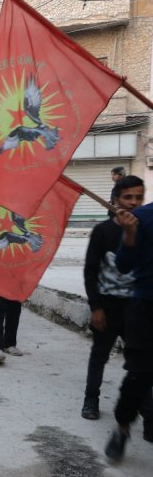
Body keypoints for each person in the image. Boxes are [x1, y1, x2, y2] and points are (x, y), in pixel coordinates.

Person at [82, 176, 148, 420]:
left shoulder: (146, 227)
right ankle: (91, 399)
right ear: (116, 200)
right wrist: (96, 307)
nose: (133, 202)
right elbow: (90, 271)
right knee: (99, 355)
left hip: (138, 308)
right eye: (127, 197)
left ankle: (145, 409)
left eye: (138, 197)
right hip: (108, 306)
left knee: (141, 361)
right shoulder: (103, 231)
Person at [105, 192, 153, 461]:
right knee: (139, 375)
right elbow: (122, 265)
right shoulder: (142, 218)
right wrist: (130, 234)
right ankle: (122, 427)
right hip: (146, 308)